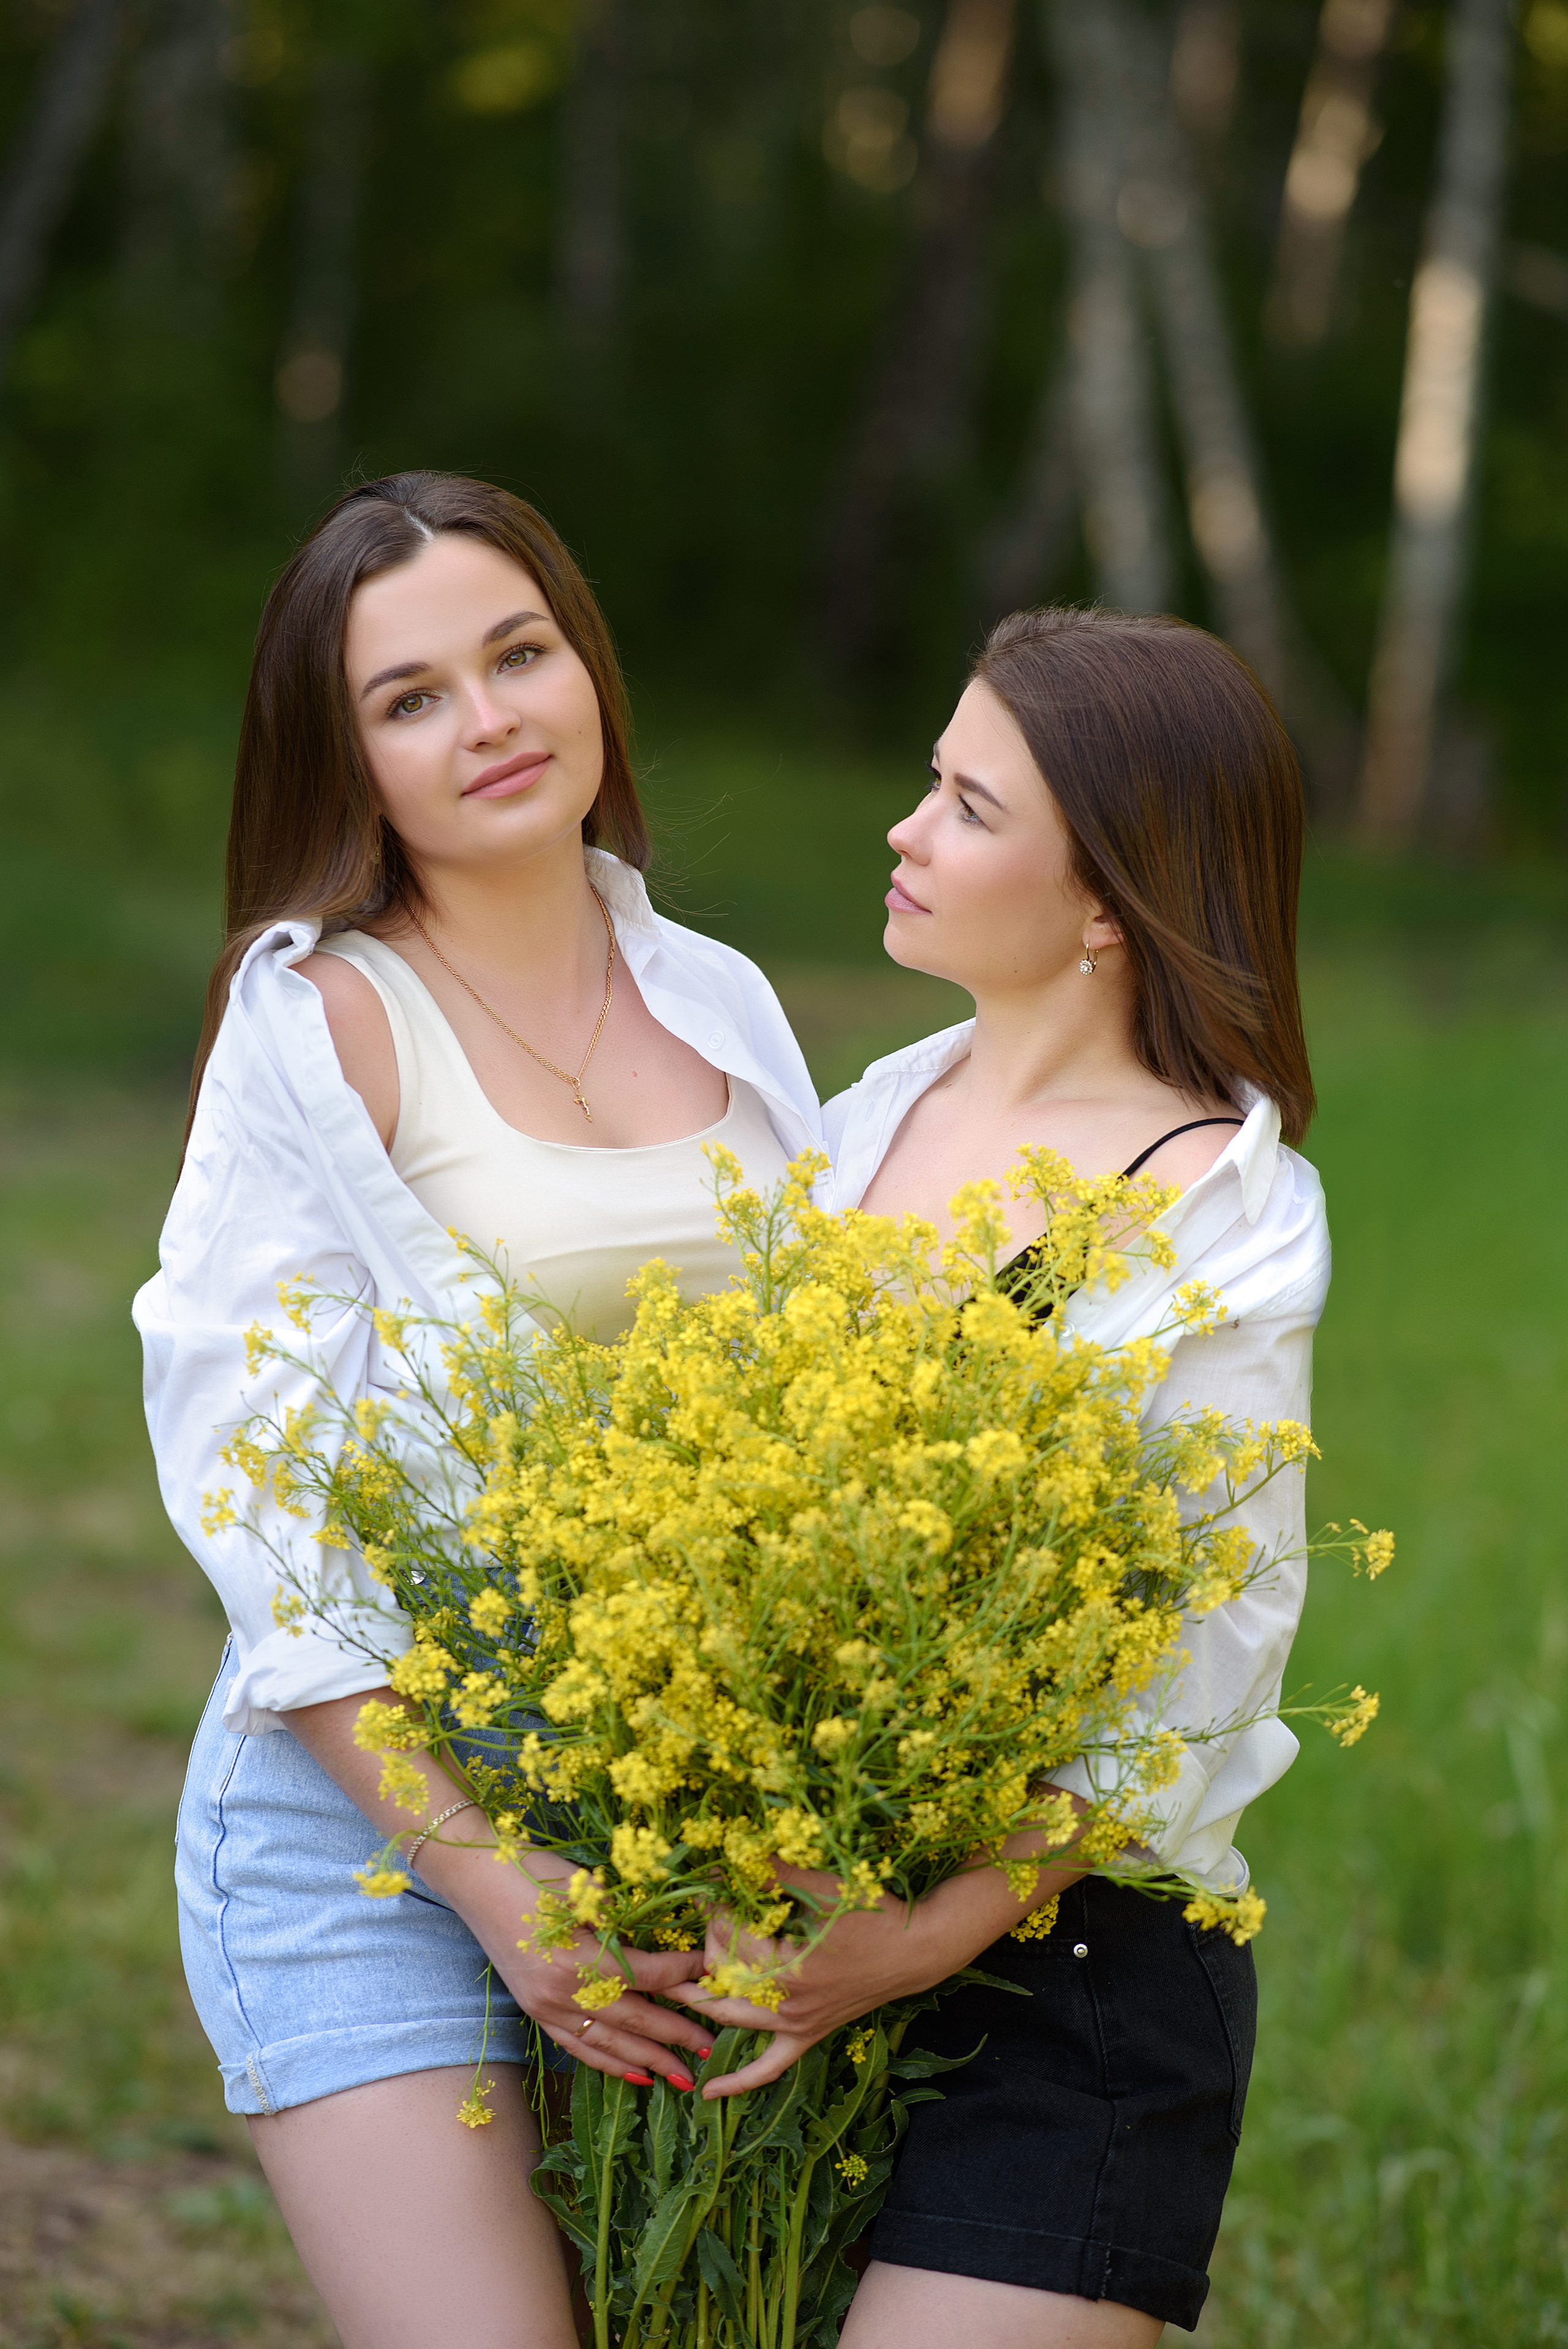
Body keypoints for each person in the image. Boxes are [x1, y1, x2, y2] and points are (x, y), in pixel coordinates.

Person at [134, 471, 822, 2349]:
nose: (492, 716)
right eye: (411, 694)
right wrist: (502, 1886)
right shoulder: (319, 1020)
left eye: (519, 653)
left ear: (589, 669)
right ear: (346, 759)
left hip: (674, 1819)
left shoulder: (726, 1002)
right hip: (367, 1830)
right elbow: (258, 1502)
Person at [679, 607, 1331, 2345]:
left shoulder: (1220, 1211)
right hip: (796, 1912)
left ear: (1110, 895)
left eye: (969, 805)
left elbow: (1211, 1656)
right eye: (930, 780)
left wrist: (915, 1934)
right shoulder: (872, 1112)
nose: (904, 829)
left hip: (1068, 1970)